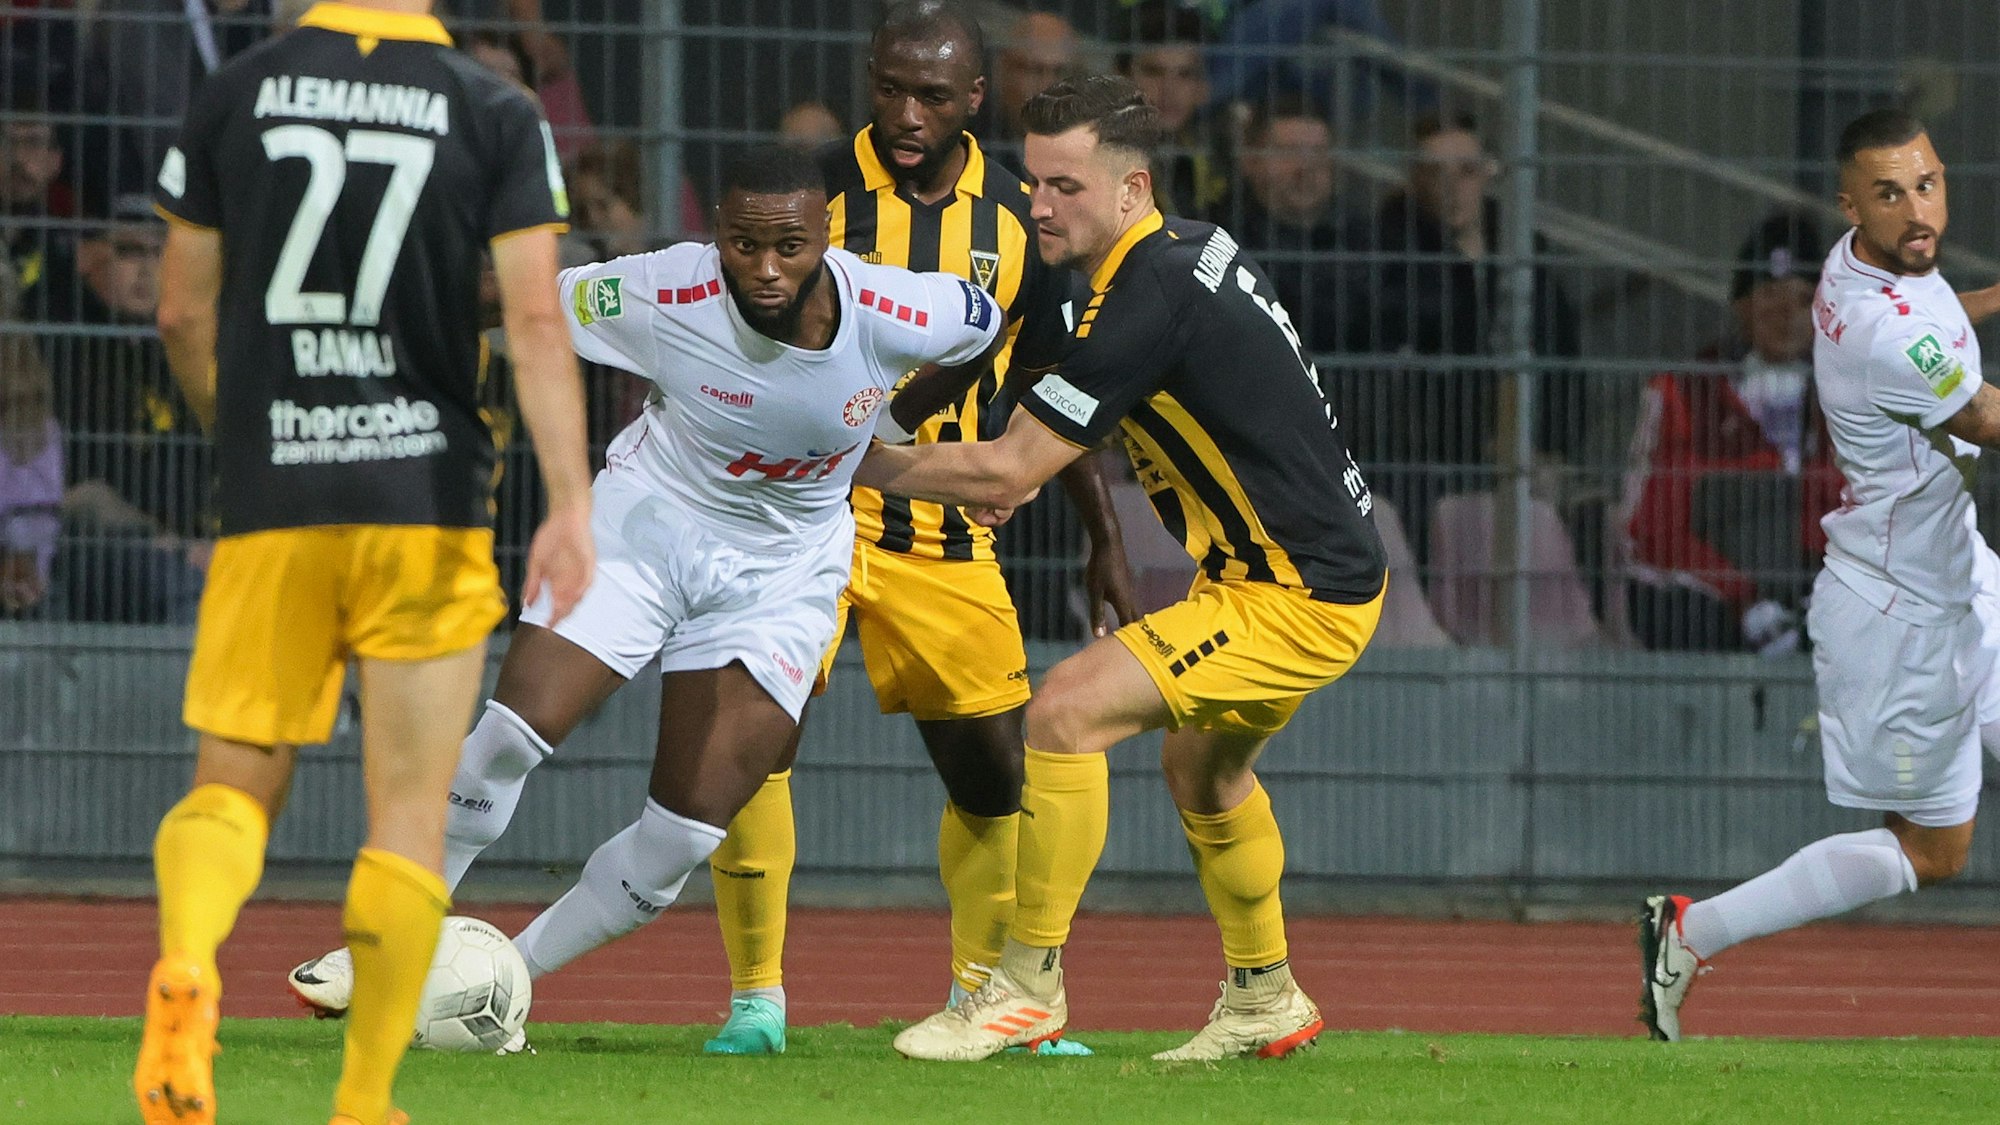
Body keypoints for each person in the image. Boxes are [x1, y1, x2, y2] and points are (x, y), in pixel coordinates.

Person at [285, 144, 1011, 1055]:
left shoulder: (901, 308)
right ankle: (384, 941)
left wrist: (891, 425)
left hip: (783, 578)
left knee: (677, 841)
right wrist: (381, 311)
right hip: (648, 529)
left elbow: (996, 322)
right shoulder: (663, 290)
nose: (766, 267)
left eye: (788, 244)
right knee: (510, 732)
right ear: (718, 238)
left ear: (826, 234)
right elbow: (522, 297)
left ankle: (492, 980)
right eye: (744, 244)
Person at [859, 74, 1386, 1062]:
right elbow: (1052, 399)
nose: (1038, 204)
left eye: (1065, 187)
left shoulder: (1150, 293)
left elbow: (1012, 463)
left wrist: (857, 456)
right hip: (1277, 574)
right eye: (1032, 183)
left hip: (1297, 596)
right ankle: (1264, 995)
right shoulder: (1164, 260)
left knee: (1062, 710)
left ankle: (1024, 986)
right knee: (1204, 767)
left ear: (1131, 191)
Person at [135, 2, 596, 1122]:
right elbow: (536, 320)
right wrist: (571, 504)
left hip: (275, 496)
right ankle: (362, 1098)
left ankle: (189, 965)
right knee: (405, 821)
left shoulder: (236, 89)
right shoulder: (493, 108)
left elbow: (180, 313)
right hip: (422, 502)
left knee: (232, 784)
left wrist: (243, 440)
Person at [697, 0, 1133, 1057]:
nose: (904, 111)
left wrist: (1099, 532)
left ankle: (988, 995)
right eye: (888, 86)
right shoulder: (815, 193)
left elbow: (1040, 376)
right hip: (801, 515)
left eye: (930, 95)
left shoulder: (1013, 215)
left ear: (974, 101)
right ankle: (755, 1002)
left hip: (937, 532)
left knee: (993, 777)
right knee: (752, 745)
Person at [1640, 109, 2000, 1042]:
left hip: (1961, 572)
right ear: (1852, 204)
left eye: (1927, 183)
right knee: (1934, 849)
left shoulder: (1861, 263)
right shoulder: (1884, 332)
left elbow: (1942, 317)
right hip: (1902, 615)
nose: (1917, 209)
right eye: (1890, 193)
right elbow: (1985, 416)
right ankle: (1690, 930)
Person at [1622, 212, 1841, 654]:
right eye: (1770, 295)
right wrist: (1744, 599)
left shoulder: (1847, 400)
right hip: (1712, 593)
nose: (1787, 315)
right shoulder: (1685, 393)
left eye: (1803, 300)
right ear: (1741, 305)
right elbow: (1653, 525)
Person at [1211, 92, 1352, 354]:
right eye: (1288, 152)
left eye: (1317, 153)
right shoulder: (1215, 237)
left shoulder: (1362, 240)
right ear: (1249, 161)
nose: (1305, 167)